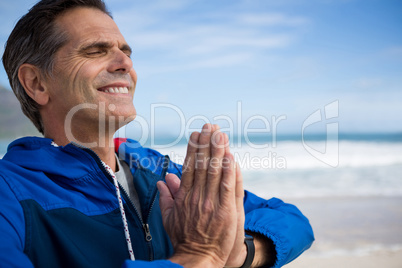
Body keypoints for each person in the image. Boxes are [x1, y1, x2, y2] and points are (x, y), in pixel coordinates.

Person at [0, 0, 314, 267]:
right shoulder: (9, 193)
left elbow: (292, 220)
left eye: (125, 51)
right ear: (37, 84)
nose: (125, 63)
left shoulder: (157, 172)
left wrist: (240, 254)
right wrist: (197, 256)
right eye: (95, 50)